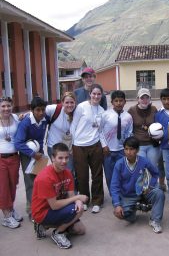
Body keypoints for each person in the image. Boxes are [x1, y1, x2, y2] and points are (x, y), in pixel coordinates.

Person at [31, 143, 88, 249]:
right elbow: (54, 206)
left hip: (58, 207)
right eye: (60, 158)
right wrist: (77, 198)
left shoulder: (67, 173)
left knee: (80, 230)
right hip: (42, 211)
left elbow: (71, 195)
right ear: (53, 158)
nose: (64, 161)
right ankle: (58, 232)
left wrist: (78, 201)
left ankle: (45, 226)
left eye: (66, 157)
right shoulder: (45, 177)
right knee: (76, 211)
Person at [110, 137, 165, 234]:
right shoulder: (119, 164)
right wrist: (117, 205)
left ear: (137, 150)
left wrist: (149, 186)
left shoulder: (144, 161)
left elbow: (155, 173)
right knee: (123, 215)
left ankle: (155, 221)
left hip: (143, 192)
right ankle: (135, 208)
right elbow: (114, 186)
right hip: (128, 196)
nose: (128, 152)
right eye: (126, 149)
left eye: (131, 149)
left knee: (159, 193)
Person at [71, 84, 106, 213]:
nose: (96, 96)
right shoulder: (81, 107)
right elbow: (73, 125)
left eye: (98, 94)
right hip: (79, 145)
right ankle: (84, 199)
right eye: (94, 93)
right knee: (82, 175)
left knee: (97, 174)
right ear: (89, 94)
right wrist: (72, 144)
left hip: (95, 145)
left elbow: (101, 130)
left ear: (101, 96)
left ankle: (97, 201)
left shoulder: (102, 111)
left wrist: (103, 145)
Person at [14, 96, 49, 220]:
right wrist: (33, 154)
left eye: (43, 110)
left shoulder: (45, 119)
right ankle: (31, 210)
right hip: (28, 155)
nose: (41, 113)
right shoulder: (26, 122)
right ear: (32, 110)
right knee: (30, 183)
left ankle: (40, 206)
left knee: (39, 181)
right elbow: (18, 143)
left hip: (40, 155)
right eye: (37, 110)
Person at [128, 89, 162, 187]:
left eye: (147, 97)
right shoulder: (132, 110)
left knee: (152, 168)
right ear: (138, 99)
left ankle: (153, 189)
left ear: (150, 99)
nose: (145, 100)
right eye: (142, 98)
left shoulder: (154, 109)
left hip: (152, 145)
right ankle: (141, 190)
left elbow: (159, 125)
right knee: (140, 169)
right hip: (139, 145)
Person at [101, 90, 133, 192]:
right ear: (112, 102)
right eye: (116, 101)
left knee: (123, 173)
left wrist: (126, 148)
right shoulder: (106, 115)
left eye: (121, 101)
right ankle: (113, 195)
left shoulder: (128, 117)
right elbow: (99, 131)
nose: (119, 103)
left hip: (121, 151)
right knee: (110, 175)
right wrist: (104, 145)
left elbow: (129, 133)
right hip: (108, 151)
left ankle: (122, 193)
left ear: (125, 102)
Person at [0, 96, 22, 228]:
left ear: (12, 106)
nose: (6, 108)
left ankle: (11, 208)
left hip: (14, 157)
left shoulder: (15, 118)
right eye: (3, 106)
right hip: (1, 158)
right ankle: (7, 216)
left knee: (13, 185)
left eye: (8, 105)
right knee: (3, 188)